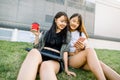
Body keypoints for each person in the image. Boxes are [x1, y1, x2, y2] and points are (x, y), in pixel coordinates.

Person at [17, 11, 75, 80]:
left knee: (46, 65)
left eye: (65, 22)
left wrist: (66, 69)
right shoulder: (46, 33)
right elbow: (37, 47)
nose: (64, 24)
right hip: (42, 55)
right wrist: (37, 36)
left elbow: (65, 52)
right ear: (55, 20)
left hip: (54, 60)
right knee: (33, 51)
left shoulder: (67, 34)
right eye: (62, 21)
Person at [68, 13, 120, 80]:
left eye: (78, 23)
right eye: (74, 21)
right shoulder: (65, 32)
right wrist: (74, 52)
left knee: (100, 64)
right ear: (69, 20)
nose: (75, 24)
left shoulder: (81, 34)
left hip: (81, 59)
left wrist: (82, 47)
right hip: (71, 59)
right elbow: (61, 50)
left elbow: (87, 46)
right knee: (90, 51)